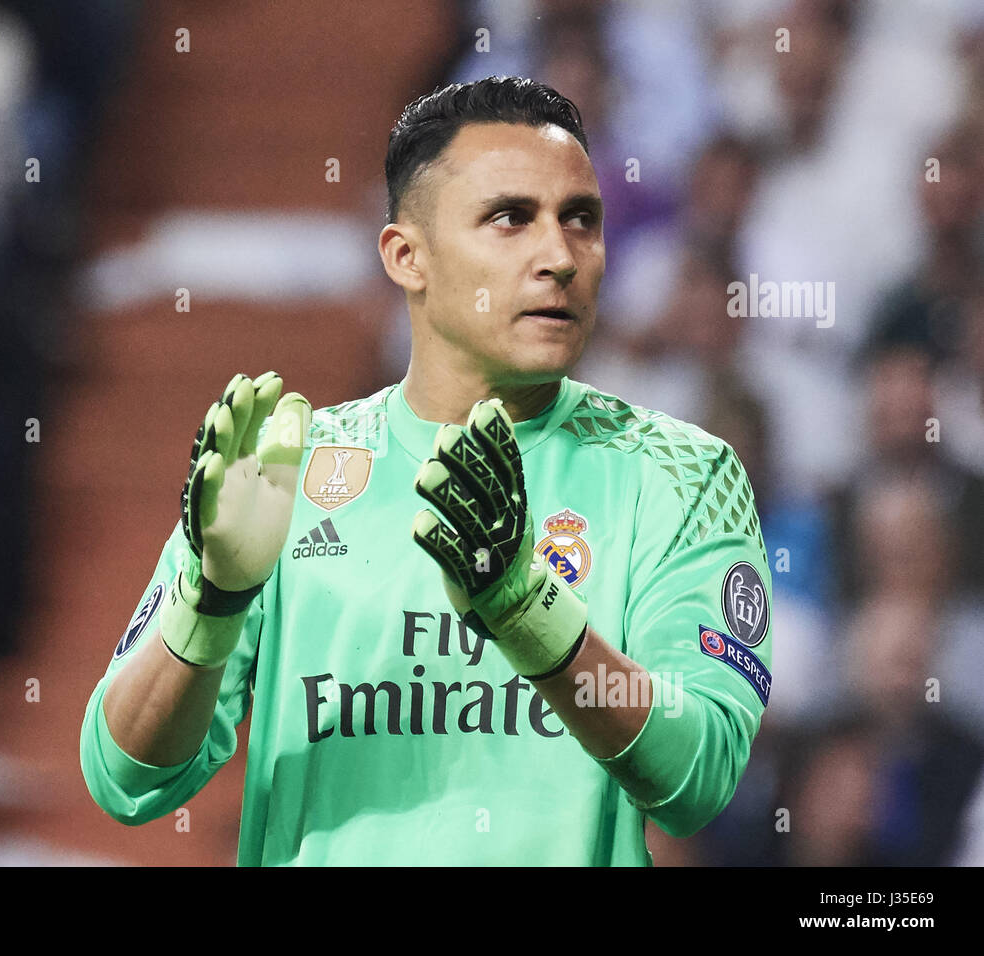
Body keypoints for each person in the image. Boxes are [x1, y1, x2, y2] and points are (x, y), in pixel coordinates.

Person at [80, 76, 774, 866]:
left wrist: (526, 611)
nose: (561, 257)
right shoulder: (287, 471)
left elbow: (698, 777)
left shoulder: (682, 473)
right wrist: (213, 602)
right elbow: (124, 777)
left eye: (581, 220)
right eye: (511, 218)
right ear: (407, 256)